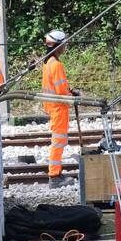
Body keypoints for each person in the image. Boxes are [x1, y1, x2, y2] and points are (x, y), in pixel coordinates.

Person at [42, 29, 76, 190]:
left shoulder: (48, 62)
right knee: (58, 142)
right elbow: (61, 90)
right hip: (59, 108)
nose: (65, 47)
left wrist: (70, 91)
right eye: (64, 44)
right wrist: (72, 95)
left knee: (58, 141)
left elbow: (58, 86)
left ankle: (56, 173)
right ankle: (54, 176)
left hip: (54, 107)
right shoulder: (56, 64)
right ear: (58, 46)